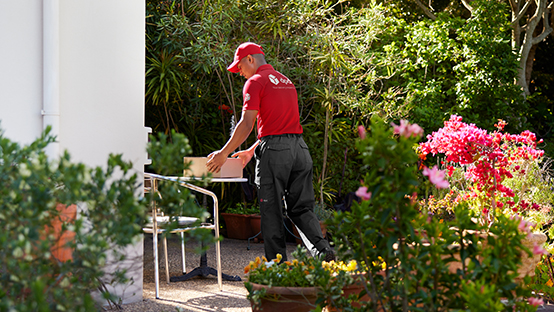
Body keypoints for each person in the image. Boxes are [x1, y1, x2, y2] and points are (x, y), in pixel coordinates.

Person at [206, 42, 334, 262]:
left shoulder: (255, 82)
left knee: (271, 209)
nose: (240, 73)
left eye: (240, 67)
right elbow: (281, 127)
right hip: (300, 150)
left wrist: (224, 153)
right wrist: (251, 151)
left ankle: (277, 265)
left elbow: (247, 124)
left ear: (250, 59)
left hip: (276, 154)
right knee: (301, 208)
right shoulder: (286, 81)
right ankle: (324, 253)